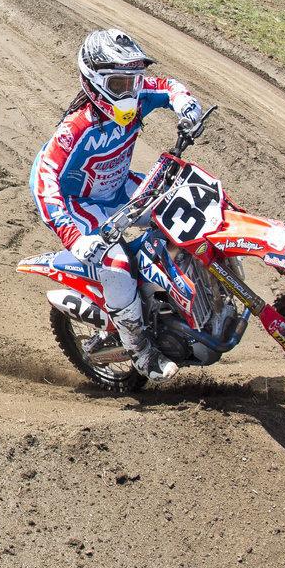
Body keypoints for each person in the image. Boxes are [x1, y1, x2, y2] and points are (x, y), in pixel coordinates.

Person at [30, 29, 204, 380]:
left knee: (186, 199)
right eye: (121, 83)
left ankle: (181, 298)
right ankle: (141, 352)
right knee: (116, 263)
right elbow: (42, 179)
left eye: (134, 81)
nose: (131, 90)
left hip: (119, 186)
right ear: (96, 82)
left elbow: (168, 86)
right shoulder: (75, 128)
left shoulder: (136, 97)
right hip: (79, 202)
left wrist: (186, 104)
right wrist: (73, 236)